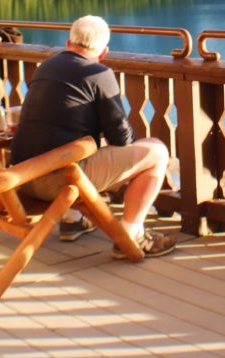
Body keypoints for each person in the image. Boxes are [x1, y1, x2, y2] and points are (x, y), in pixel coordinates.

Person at [10, 15, 178, 258]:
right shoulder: (98, 73)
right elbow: (122, 138)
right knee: (156, 152)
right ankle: (131, 235)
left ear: (68, 44)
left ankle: (72, 219)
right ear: (104, 52)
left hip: (23, 178)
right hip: (55, 182)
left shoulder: (46, 67)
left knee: (77, 147)